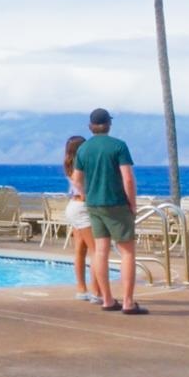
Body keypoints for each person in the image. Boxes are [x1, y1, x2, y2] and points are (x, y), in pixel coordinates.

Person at [74, 109, 143, 314]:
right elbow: (128, 178)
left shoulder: (83, 149)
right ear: (109, 125)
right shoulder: (118, 146)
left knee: (100, 251)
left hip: (94, 205)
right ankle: (128, 302)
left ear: (90, 126)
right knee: (127, 252)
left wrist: (86, 194)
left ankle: (106, 299)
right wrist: (132, 203)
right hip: (117, 203)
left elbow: (77, 179)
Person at [61, 135, 97, 302]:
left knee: (80, 251)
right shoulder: (82, 166)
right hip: (82, 207)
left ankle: (82, 288)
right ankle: (97, 291)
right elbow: (83, 186)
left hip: (73, 207)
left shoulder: (68, 165)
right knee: (96, 251)